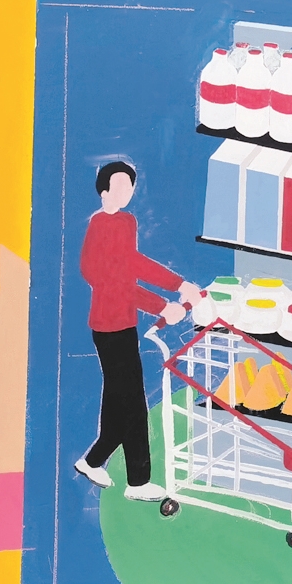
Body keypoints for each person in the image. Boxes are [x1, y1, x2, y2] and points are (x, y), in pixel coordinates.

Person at [74, 160, 201, 503]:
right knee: (131, 404)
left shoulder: (125, 222)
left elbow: (133, 264)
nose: (126, 191)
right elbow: (112, 279)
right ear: (103, 191)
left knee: (118, 400)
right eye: (118, 186)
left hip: (123, 322)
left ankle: (92, 462)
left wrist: (179, 285)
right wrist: (163, 305)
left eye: (129, 185)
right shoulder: (100, 226)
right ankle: (138, 482)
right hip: (109, 325)